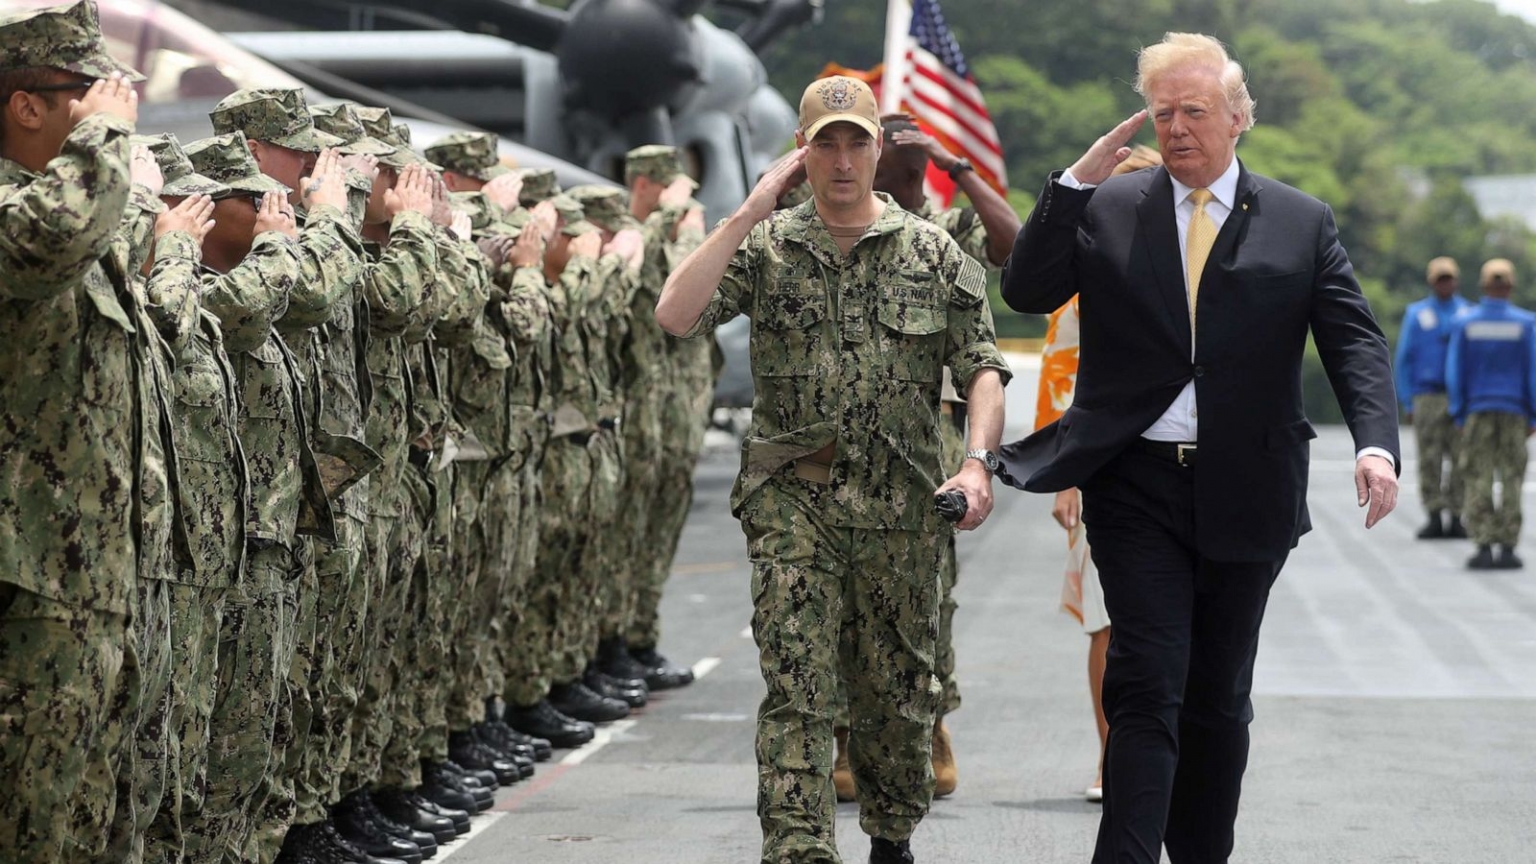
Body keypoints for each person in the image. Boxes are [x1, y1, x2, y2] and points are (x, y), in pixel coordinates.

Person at [998, 33, 1400, 864]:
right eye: (1163, 113)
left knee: (1217, 699)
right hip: (1134, 484)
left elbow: (1354, 342)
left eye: (1195, 110)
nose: (1177, 127)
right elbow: (1027, 287)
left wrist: (1376, 447)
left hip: (1247, 486)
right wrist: (1072, 185)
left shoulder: (1300, 220)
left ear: (1239, 116)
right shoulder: (1111, 205)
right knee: (1146, 684)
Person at [656, 75, 1010, 864]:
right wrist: (750, 209)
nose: (842, 161)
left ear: (878, 149)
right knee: (799, 688)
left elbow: (982, 366)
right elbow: (676, 315)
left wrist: (977, 465)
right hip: (794, 503)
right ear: (802, 153)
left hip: (902, 509)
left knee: (897, 699)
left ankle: (891, 834)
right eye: (826, 145)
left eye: (856, 143)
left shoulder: (933, 251)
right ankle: (800, 848)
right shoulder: (767, 246)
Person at [0, 3, 144, 860]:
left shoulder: (80, 200)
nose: (111, 106)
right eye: (87, 92)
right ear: (26, 106)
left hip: (85, 569)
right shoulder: (32, 208)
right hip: (28, 578)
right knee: (29, 817)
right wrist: (106, 139)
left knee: (82, 812)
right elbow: (46, 242)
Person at [1446, 259, 1536, 571]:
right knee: (1511, 477)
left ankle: (1484, 545)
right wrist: (1533, 415)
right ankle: (1508, 547)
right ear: (1511, 286)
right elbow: (1533, 372)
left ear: (1483, 285)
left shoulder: (1466, 323)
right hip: (1514, 411)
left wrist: (1458, 412)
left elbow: (1455, 371)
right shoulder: (1525, 323)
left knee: (1478, 476)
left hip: (1478, 409)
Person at [1397, 256, 1472, 539]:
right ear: (1431, 281)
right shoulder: (1416, 314)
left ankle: (1456, 514)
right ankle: (1433, 514)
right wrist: (1407, 399)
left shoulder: (1468, 313)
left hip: (1460, 397)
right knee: (1429, 458)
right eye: (1440, 279)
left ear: (1457, 281)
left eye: (1449, 278)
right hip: (1427, 396)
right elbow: (1404, 359)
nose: (1445, 284)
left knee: (1461, 458)